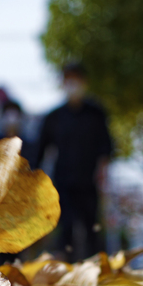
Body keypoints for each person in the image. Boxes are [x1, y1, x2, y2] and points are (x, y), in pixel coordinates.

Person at [35, 62, 113, 259]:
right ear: (62, 82)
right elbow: (40, 150)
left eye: (76, 78)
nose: (73, 83)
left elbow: (106, 146)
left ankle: (96, 265)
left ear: (84, 82)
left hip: (89, 180)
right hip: (63, 181)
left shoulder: (96, 114)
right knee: (65, 225)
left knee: (91, 225)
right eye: (68, 79)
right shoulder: (54, 117)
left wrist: (103, 172)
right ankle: (64, 265)